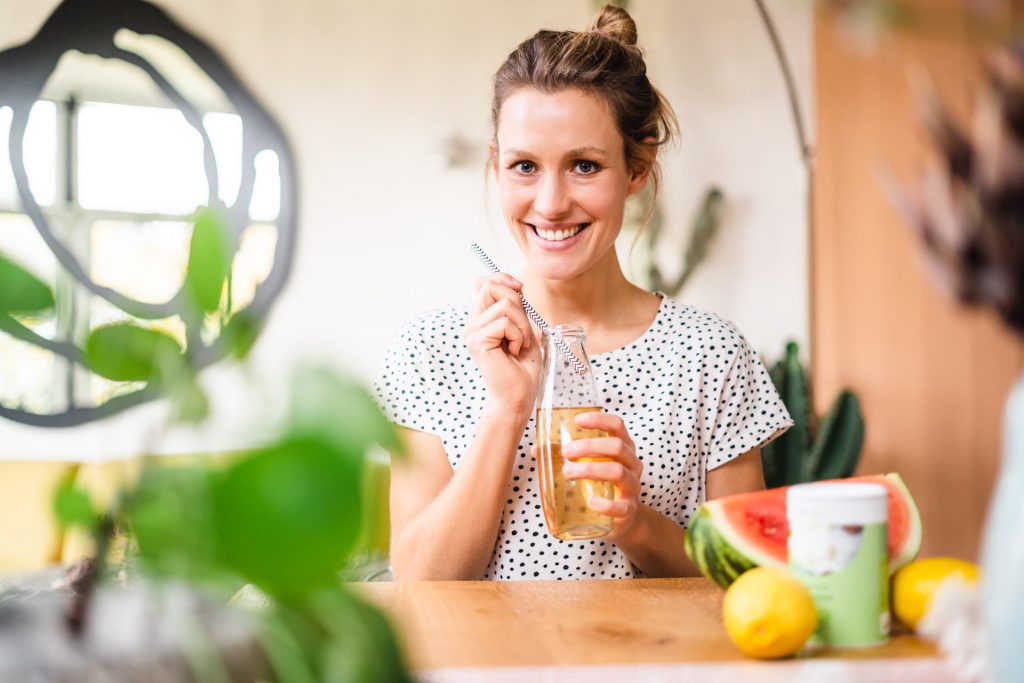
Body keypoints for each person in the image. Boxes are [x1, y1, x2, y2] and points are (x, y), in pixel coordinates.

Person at [373, 5, 792, 581]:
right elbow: (421, 583)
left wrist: (633, 522)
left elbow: (745, 580)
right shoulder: (430, 352)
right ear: (496, 168)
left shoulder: (711, 355)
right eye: (524, 166)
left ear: (637, 168)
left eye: (585, 166)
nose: (550, 203)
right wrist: (506, 409)